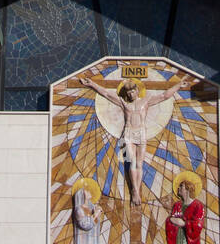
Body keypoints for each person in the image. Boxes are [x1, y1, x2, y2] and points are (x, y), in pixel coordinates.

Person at [79, 73, 195, 206]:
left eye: (132, 91)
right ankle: (134, 190)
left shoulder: (145, 101)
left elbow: (165, 95)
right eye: (128, 92)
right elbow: (106, 94)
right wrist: (92, 84)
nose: (130, 94)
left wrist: (179, 85)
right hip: (128, 133)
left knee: (139, 163)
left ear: (137, 91)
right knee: (132, 162)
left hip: (141, 133)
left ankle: (137, 191)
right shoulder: (123, 103)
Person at [166, 176, 204, 244]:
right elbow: (170, 220)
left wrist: (184, 224)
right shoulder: (177, 205)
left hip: (188, 242)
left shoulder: (197, 205)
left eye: (181, 186)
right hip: (177, 240)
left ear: (188, 189)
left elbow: (198, 225)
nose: (178, 188)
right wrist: (171, 220)